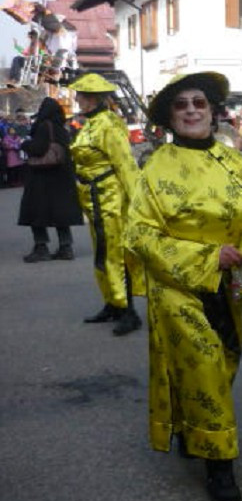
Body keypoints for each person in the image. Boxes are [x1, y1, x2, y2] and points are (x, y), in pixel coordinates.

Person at [125, 72, 242, 501]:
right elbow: (139, 234)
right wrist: (207, 257)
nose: (192, 110)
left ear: (212, 111)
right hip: (178, 288)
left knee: (224, 365)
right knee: (206, 368)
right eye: (181, 105)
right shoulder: (155, 169)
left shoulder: (239, 163)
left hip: (229, 287)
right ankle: (220, 465)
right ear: (170, 117)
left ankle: (196, 430)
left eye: (199, 103)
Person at [68, 73, 142, 336]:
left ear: (94, 99)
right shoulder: (91, 123)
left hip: (109, 198)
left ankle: (127, 310)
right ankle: (112, 302)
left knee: (114, 254)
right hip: (93, 197)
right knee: (102, 252)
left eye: (82, 96)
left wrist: (137, 204)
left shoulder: (108, 125)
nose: (77, 100)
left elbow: (125, 165)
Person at [18, 98, 83, 262]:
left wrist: (25, 145)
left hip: (42, 178)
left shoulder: (43, 126)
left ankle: (41, 247)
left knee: (35, 212)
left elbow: (39, 148)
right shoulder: (62, 128)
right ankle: (65, 247)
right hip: (62, 178)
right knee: (61, 213)